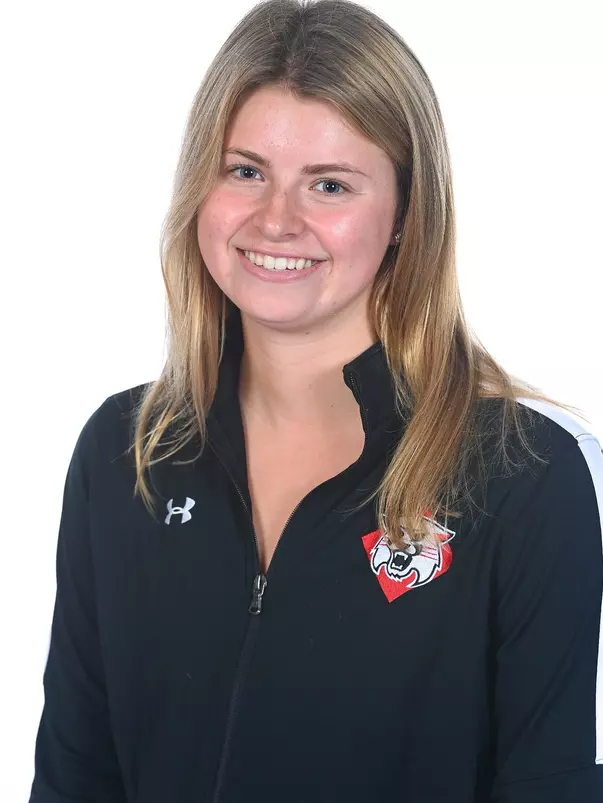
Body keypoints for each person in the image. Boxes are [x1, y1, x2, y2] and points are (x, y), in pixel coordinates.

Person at [29, 1, 603, 801]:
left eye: (329, 185)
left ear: (405, 213)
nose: (275, 219)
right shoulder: (127, 451)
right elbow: (74, 774)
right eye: (245, 171)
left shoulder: (527, 477)